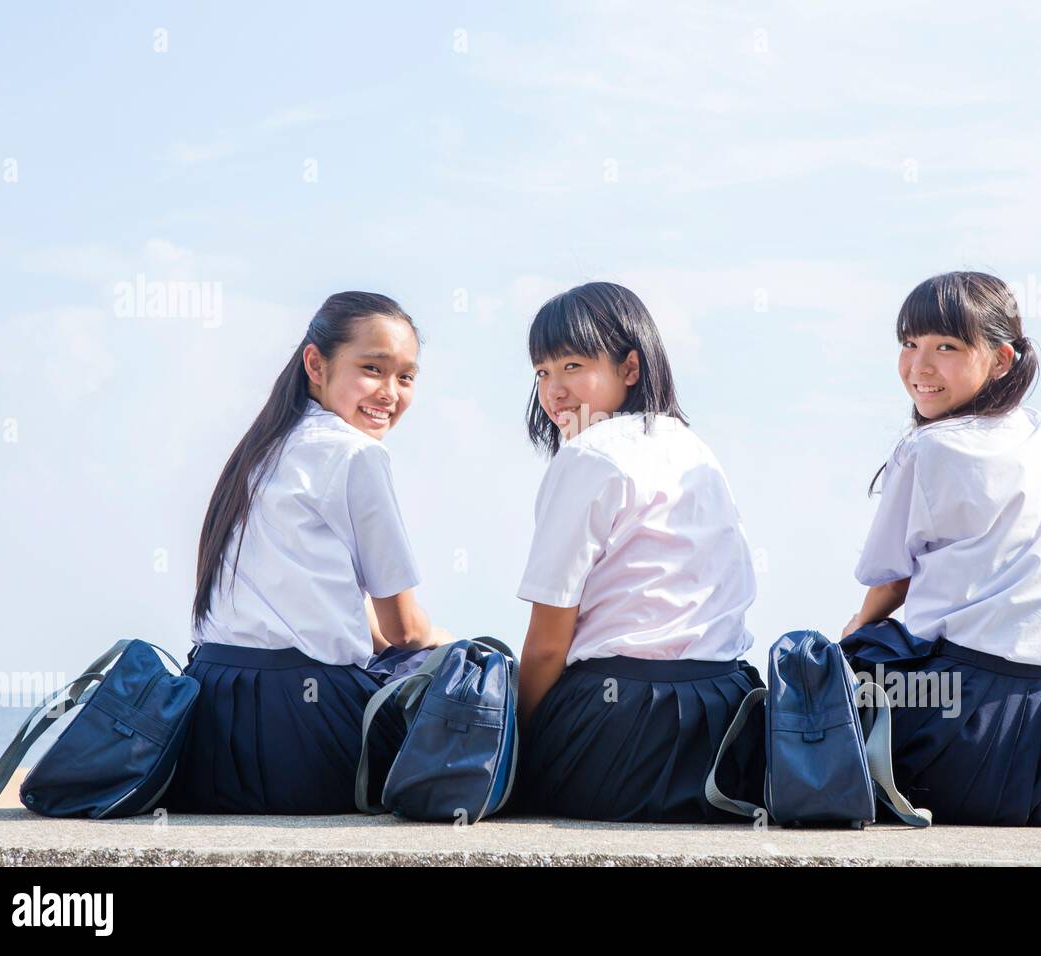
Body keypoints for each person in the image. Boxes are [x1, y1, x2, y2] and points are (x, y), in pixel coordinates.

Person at [840, 271, 1041, 827]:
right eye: (909, 344)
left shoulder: (931, 446)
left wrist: (844, 645)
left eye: (946, 346)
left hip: (951, 725)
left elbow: (891, 583)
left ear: (1000, 359)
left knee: (831, 672)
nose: (919, 367)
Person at [167, 291, 452, 814]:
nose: (390, 392)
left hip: (211, 733)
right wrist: (460, 647)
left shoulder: (262, 448)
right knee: (469, 697)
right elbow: (404, 631)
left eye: (406, 377)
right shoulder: (356, 453)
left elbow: (337, 611)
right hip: (306, 735)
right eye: (372, 368)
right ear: (315, 364)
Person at [514, 281, 765, 822]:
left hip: (620, 725)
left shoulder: (588, 457)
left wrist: (516, 741)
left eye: (573, 365)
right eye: (542, 372)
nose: (554, 390)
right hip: (724, 726)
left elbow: (545, 646)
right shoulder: (693, 447)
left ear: (630, 368)